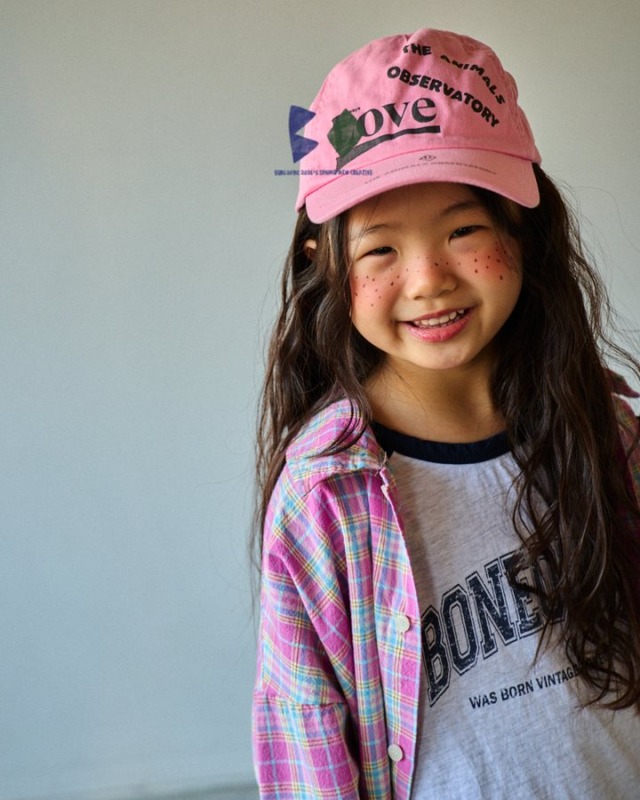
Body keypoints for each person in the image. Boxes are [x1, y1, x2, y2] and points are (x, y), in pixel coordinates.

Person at [252, 27, 640, 799]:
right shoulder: (325, 494)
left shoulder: (609, 432)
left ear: (522, 229)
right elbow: (305, 736)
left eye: (463, 230)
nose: (428, 278)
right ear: (323, 263)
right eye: (380, 249)